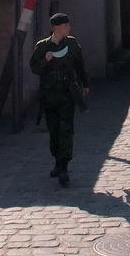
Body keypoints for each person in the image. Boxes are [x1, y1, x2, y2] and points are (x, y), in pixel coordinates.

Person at [29, 12, 89, 185]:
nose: (68, 28)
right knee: (54, 131)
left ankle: (64, 167)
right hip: (49, 96)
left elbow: (80, 65)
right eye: (65, 25)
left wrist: (85, 84)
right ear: (55, 28)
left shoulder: (72, 44)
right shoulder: (42, 47)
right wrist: (45, 61)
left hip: (67, 95)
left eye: (68, 25)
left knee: (66, 130)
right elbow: (34, 68)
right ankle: (57, 161)